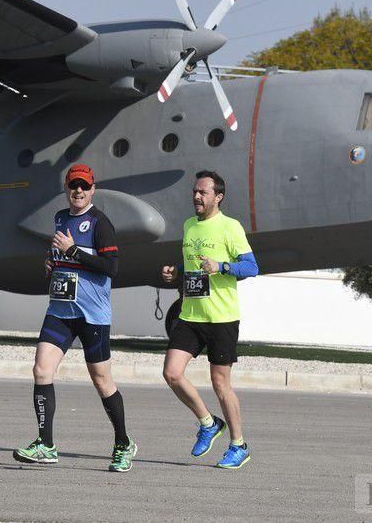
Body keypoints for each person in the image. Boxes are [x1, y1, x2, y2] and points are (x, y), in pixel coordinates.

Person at [13, 163, 137, 472]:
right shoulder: (60, 218)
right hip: (60, 310)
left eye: (84, 186)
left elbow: (111, 268)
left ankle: (123, 443)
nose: (78, 191)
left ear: (93, 189)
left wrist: (72, 253)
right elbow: (59, 253)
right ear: (67, 189)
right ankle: (46, 444)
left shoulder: (100, 223)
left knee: (102, 380)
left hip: (92, 315)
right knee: (41, 370)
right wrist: (52, 263)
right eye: (73, 185)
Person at [161, 170, 259, 469]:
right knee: (172, 373)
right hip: (191, 314)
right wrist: (175, 271)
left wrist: (222, 266)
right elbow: (193, 264)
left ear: (218, 197)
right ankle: (207, 422)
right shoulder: (190, 226)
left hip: (221, 318)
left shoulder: (230, 227)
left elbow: (252, 267)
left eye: (203, 192)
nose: (196, 196)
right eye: (195, 191)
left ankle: (239, 444)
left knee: (220, 384)